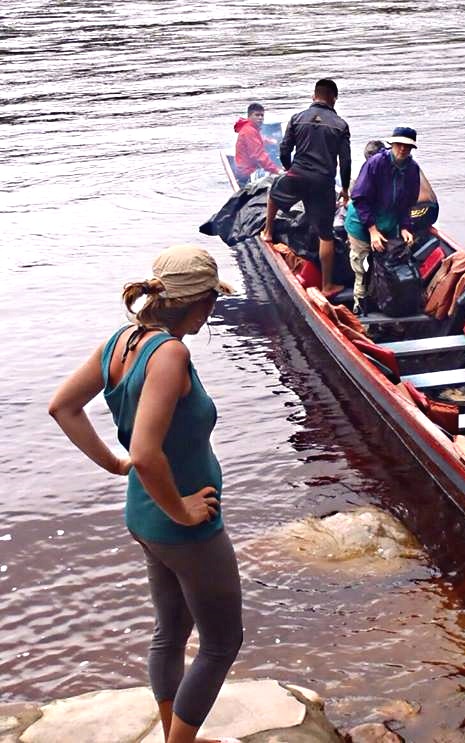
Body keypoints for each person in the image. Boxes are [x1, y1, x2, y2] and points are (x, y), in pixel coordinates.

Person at [48, 245, 243, 743]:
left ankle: (172, 734)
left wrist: (117, 466)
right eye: (212, 303)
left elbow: (63, 407)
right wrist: (182, 511)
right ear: (200, 303)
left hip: (143, 514)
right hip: (183, 528)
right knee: (222, 641)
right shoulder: (171, 353)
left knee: (171, 630)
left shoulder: (122, 340)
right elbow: (148, 451)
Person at [262, 78, 351, 298]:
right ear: (334, 99)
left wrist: (289, 169)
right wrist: (346, 189)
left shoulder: (297, 118)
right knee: (326, 235)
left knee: (274, 191)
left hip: (298, 173)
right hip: (323, 182)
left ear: (314, 96)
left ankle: (268, 232)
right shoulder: (340, 125)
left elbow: (284, 150)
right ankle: (327, 285)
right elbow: (345, 162)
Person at [344, 126, 422, 315]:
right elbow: (360, 198)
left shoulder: (412, 169)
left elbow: (408, 202)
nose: (403, 149)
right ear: (392, 144)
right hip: (361, 224)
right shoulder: (376, 164)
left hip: (388, 223)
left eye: (407, 146)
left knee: (385, 267)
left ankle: (384, 303)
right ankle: (360, 309)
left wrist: (405, 227)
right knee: (361, 267)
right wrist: (372, 230)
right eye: (399, 144)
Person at [233, 102, 280, 186]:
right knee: (277, 179)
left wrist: (271, 142)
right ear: (249, 116)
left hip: (246, 167)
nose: (260, 118)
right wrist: (276, 170)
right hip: (247, 173)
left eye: (262, 115)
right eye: (257, 115)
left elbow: (258, 139)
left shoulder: (250, 128)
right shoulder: (249, 131)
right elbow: (258, 155)